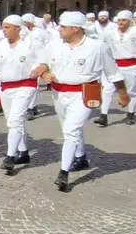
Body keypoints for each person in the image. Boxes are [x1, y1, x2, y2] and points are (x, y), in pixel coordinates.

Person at [33, 11, 128, 192]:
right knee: (69, 128)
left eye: (63, 27)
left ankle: (63, 172)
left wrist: (122, 93)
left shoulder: (97, 47)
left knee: (71, 130)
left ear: (75, 28)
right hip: (59, 93)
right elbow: (43, 63)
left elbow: (113, 72)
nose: (59, 29)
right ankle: (81, 157)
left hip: (85, 94)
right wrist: (44, 72)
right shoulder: (54, 45)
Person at [0, 16, 36, 174]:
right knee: (13, 121)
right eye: (3, 27)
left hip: (25, 85)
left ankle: (10, 156)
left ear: (18, 28)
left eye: (7, 27)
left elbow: (43, 61)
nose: (3, 30)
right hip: (6, 87)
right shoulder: (1, 45)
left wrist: (42, 69)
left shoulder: (30, 44)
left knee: (15, 121)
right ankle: (23, 152)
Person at [97, 10, 136, 126]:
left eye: (124, 20)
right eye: (119, 20)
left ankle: (130, 114)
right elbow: (102, 47)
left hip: (132, 65)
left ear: (130, 21)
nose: (121, 22)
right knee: (107, 90)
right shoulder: (109, 33)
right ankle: (103, 115)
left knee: (132, 91)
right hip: (114, 65)